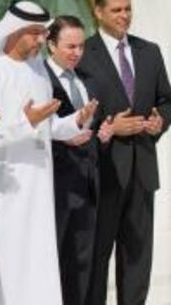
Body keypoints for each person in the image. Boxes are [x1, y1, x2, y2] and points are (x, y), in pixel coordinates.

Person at [0, 1, 96, 305]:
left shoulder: (38, 72)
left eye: (42, 33)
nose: (40, 40)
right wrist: (27, 121)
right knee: (11, 259)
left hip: (40, 184)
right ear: (13, 31)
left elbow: (46, 129)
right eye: (34, 33)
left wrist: (75, 120)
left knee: (39, 259)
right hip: (8, 188)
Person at [79, 0, 171, 305]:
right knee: (97, 256)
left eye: (128, 9)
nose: (125, 16)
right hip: (103, 172)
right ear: (99, 12)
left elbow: (166, 101)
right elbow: (75, 114)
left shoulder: (150, 52)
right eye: (117, 10)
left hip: (143, 171)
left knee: (137, 258)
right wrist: (111, 127)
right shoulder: (84, 55)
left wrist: (159, 121)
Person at [44, 15, 114, 305]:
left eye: (81, 46)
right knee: (56, 261)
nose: (76, 53)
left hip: (88, 185)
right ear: (51, 45)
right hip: (55, 188)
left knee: (83, 262)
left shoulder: (88, 80)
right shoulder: (39, 80)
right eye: (69, 46)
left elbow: (91, 128)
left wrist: (103, 133)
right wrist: (62, 136)